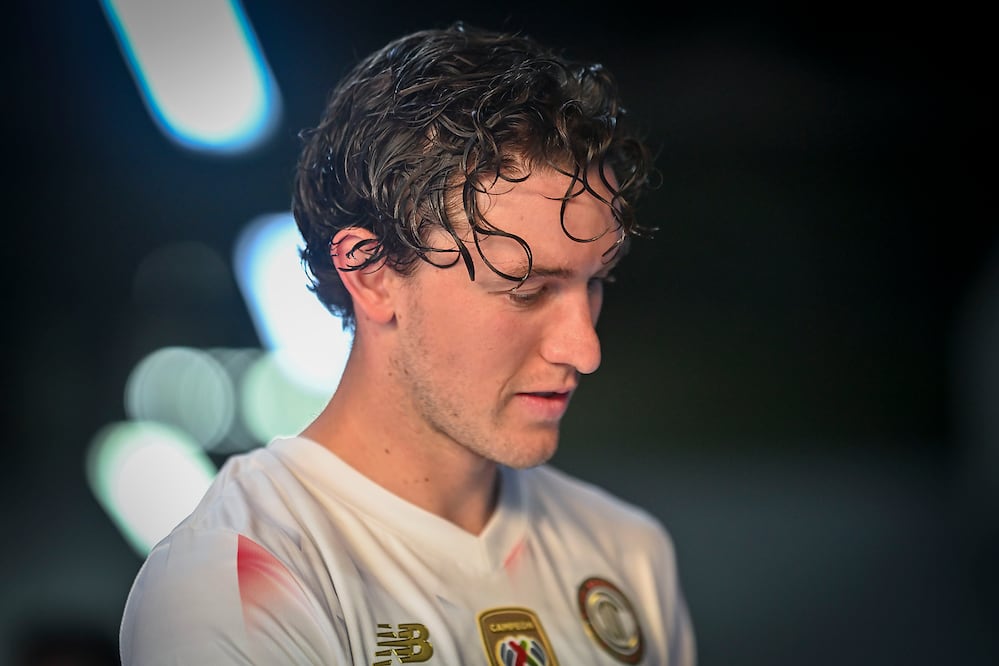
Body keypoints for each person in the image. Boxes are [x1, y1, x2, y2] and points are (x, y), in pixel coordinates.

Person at [119, 21, 696, 665]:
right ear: (371, 273)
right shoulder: (239, 582)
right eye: (528, 289)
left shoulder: (628, 553)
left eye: (595, 283)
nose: (584, 349)